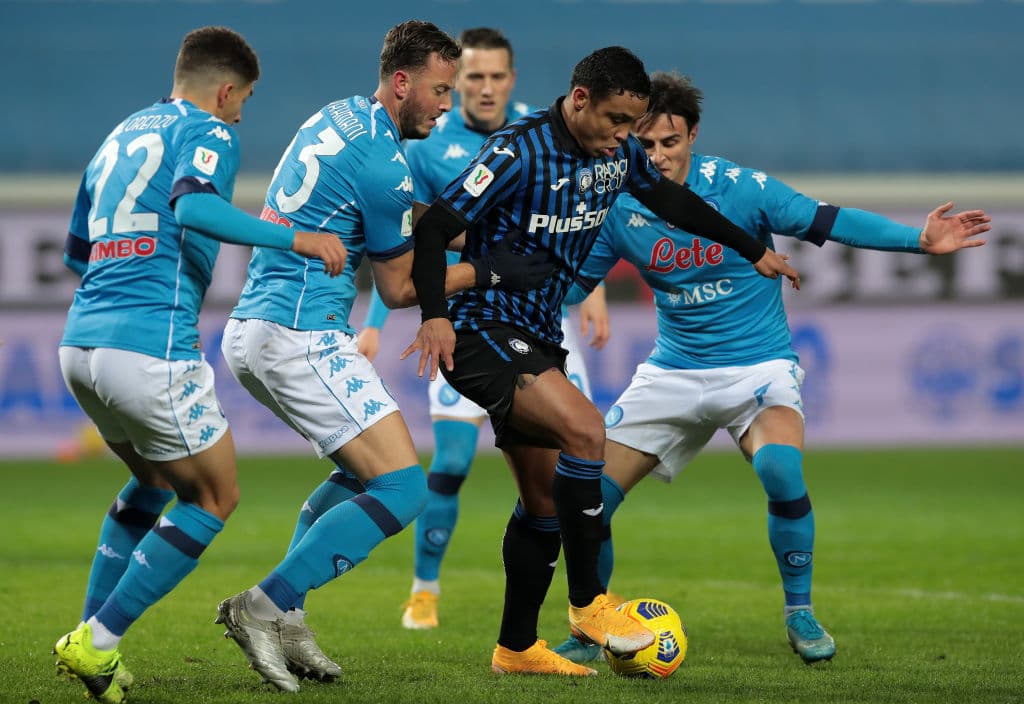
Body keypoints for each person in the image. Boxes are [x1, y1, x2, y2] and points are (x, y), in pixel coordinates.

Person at [549, 72, 991, 665]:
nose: (656, 157)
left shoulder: (741, 188)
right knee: (589, 498)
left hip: (756, 366)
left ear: (693, 136)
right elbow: (572, 283)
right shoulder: (622, 205)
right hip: (672, 372)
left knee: (782, 470)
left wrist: (919, 239)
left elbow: (828, 220)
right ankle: (592, 630)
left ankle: (799, 612)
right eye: (645, 144)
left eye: (669, 143)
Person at [404, 47, 799, 676]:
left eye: (632, 125)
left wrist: (752, 249)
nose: (625, 137)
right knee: (588, 430)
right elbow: (431, 230)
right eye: (616, 120)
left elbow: (676, 204)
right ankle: (590, 605)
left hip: (535, 334)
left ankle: (515, 648)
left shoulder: (615, 154)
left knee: (540, 506)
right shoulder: (517, 150)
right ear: (580, 99)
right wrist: (434, 315)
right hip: (481, 330)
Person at [213, 21, 550, 692]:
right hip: (297, 334)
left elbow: (391, 212)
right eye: (439, 90)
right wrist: (489, 271)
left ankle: (290, 616)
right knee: (403, 488)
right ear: (403, 83)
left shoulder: (340, 118)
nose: (445, 105)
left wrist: (464, 226)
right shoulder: (386, 163)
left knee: (364, 475)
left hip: (262, 327)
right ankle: (263, 605)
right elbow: (398, 286)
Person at [53, 26, 347, 704]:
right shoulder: (208, 129)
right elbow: (194, 204)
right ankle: (95, 643)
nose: (241, 113)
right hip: (150, 345)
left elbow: (76, 251)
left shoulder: (117, 138)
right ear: (225, 89)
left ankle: (91, 637)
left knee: (153, 483)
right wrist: (296, 235)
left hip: (80, 345)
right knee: (214, 496)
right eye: (242, 99)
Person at [354, 27, 610, 632]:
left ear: (512, 79)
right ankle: (425, 589)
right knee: (452, 461)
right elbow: (399, 236)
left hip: (541, 316)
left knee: (565, 464)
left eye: (497, 76)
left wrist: (592, 287)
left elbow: (576, 211)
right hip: (464, 316)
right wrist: (375, 321)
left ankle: (562, 615)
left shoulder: (544, 132)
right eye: (472, 78)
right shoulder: (423, 141)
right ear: (457, 81)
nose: (485, 87)